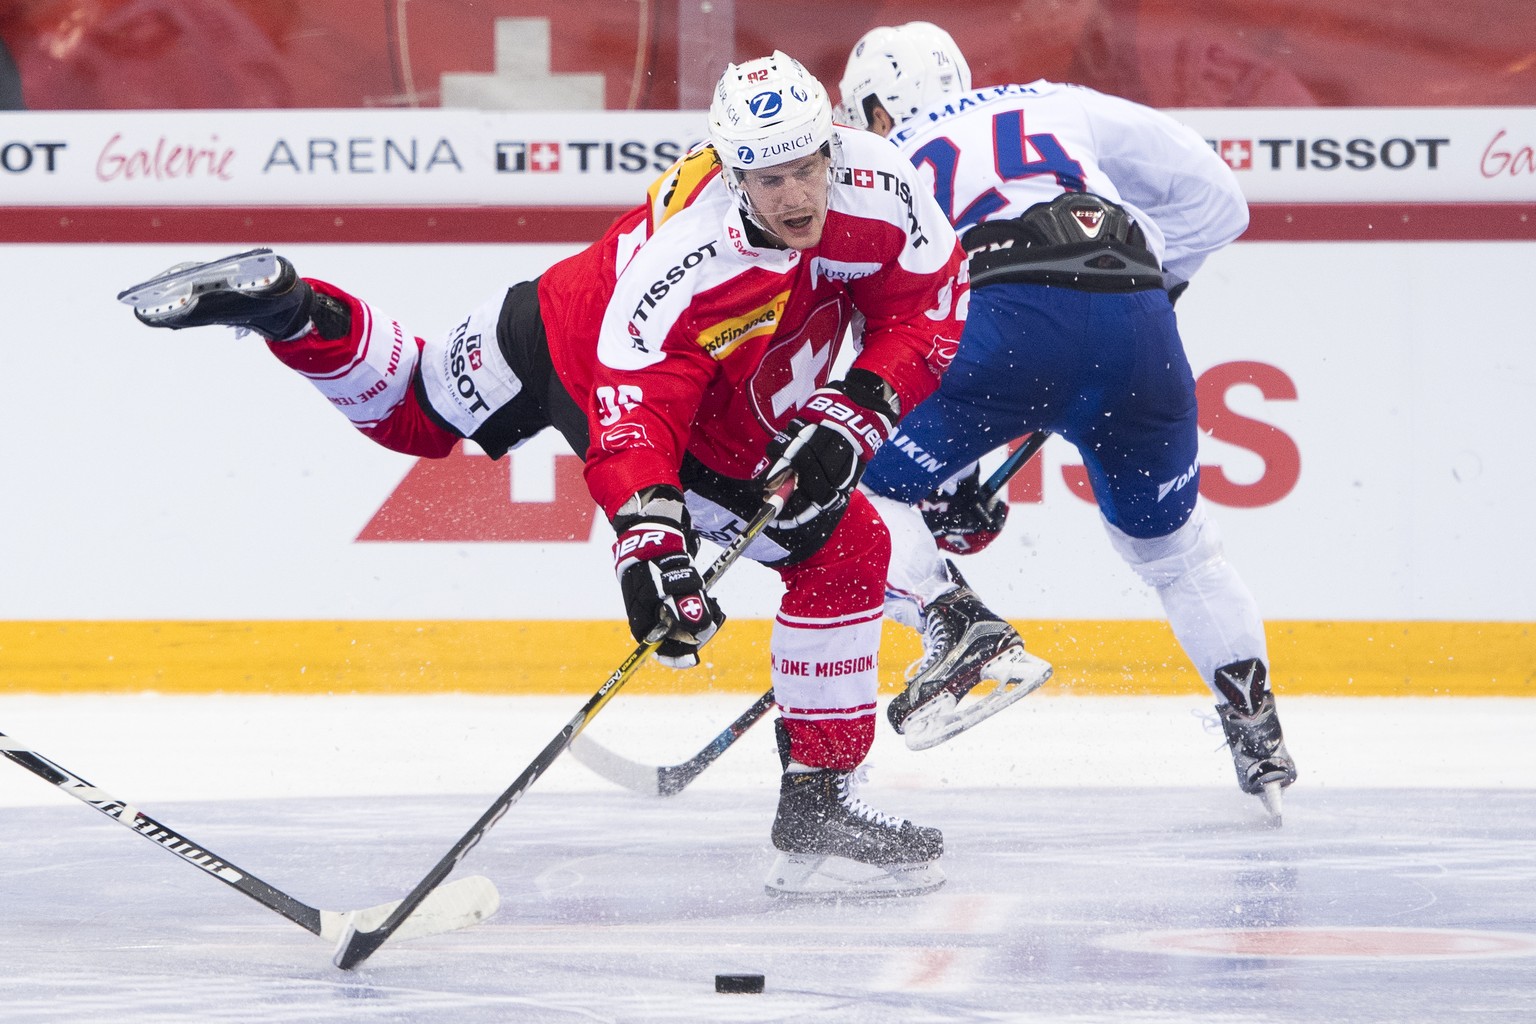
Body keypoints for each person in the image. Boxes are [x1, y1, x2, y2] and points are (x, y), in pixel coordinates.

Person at [120, 52, 972, 896]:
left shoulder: (883, 186)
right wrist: (653, 554)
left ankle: (294, 311)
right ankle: (820, 803)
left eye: (804, 169)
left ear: (834, 146)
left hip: (550, 309)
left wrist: (858, 408)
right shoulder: (691, 269)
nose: (792, 195)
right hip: (625, 371)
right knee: (847, 547)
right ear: (728, 170)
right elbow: (636, 421)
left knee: (412, 411)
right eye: (765, 177)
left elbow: (929, 303)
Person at [837, 22, 1298, 816]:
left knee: (848, 480)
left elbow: (894, 348)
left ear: (878, 106)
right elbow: (1219, 204)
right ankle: (1257, 733)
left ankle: (957, 625)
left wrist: (943, 489)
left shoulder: (875, 165)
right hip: (1136, 322)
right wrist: (1147, 285)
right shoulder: (1055, 103)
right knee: (1179, 555)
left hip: (1001, 323)